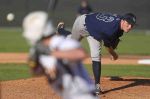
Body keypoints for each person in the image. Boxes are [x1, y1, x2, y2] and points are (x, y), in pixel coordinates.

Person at [22, 11, 98, 99]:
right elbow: (36, 72)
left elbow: (81, 54)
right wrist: (33, 63)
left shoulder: (61, 42)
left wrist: (50, 53)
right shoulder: (38, 49)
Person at [69, 12, 137, 95]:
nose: (130, 27)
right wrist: (114, 55)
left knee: (96, 57)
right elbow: (107, 46)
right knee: (70, 44)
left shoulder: (119, 22)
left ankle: (97, 87)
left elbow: (114, 17)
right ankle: (61, 30)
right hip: (82, 23)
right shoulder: (110, 30)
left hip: (94, 32)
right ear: (123, 21)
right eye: (128, 24)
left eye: (132, 25)